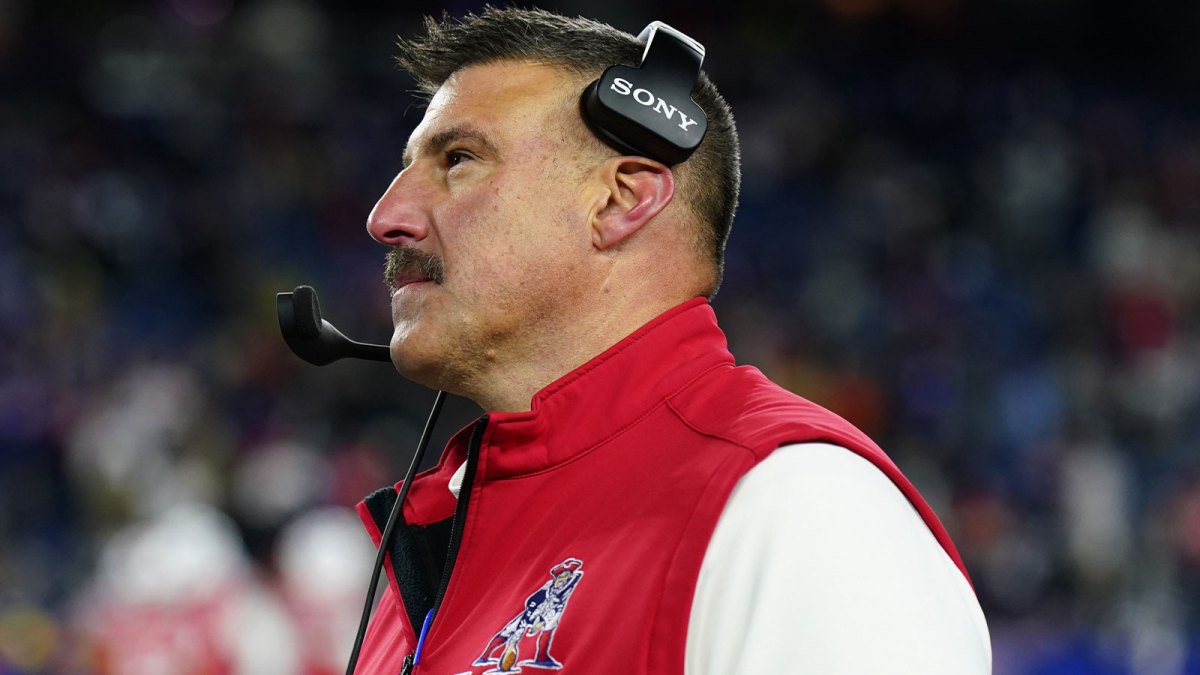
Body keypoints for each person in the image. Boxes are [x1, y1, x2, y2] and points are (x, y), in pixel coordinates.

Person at [354, 7, 990, 674]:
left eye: (458, 160)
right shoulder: (438, 541)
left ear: (621, 200)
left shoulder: (797, 508)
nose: (385, 216)